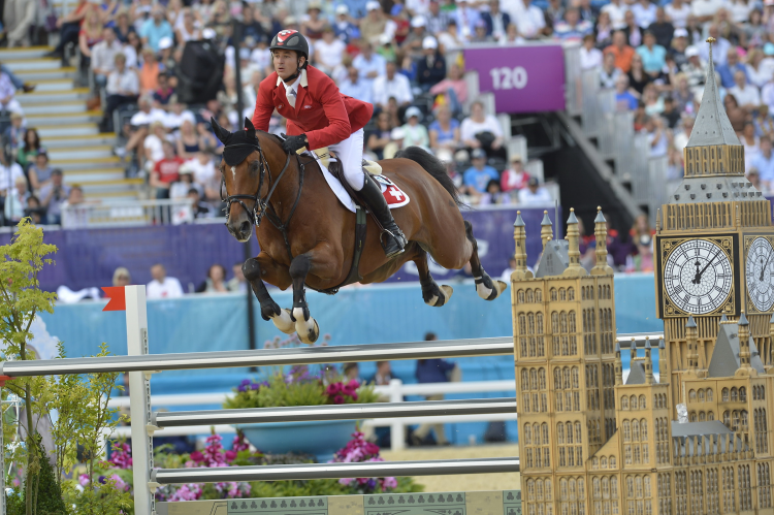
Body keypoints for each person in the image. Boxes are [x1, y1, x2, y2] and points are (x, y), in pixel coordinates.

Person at [251, 29, 406, 258]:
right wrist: (241, 145)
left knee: (352, 174)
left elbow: (340, 127)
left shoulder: (320, 81)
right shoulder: (267, 87)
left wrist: (304, 140)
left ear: (301, 60)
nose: (280, 62)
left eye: (286, 56)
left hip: (344, 132)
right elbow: (257, 130)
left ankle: (392, 230)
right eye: (276, 56)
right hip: (303, 133)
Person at [412, 332, 454, 446]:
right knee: (435, 413)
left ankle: (442, 439)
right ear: (432, 340)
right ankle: (418, 434)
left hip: (425, 389)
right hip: (436, 387)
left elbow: (416, 373)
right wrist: (454, 365)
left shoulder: (420, 355)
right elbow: (444, 366)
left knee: (437, 413)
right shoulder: (435, 351)